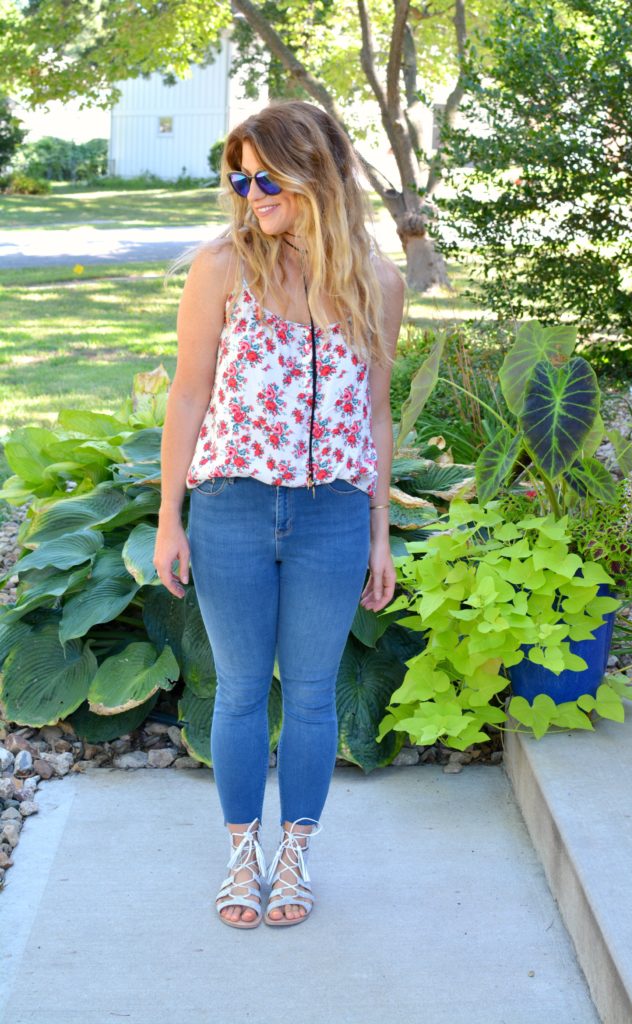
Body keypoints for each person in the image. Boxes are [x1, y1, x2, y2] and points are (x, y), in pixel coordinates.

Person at [153, 99, 404, 929]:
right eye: (239, 176)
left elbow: (373, 412)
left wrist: (378, 531)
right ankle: (240, 855)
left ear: (315, 175)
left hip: (333, 513)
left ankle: (293, 857)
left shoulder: (376, 280)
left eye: (266, 177)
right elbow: (188, 395)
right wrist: (169, 515)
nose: (249, 192)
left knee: (310, 694)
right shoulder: (222, 266)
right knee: (234, 692)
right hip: (231, 506)